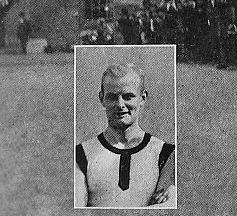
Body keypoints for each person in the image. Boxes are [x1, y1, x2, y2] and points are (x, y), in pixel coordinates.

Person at [75, 64, 176, 208]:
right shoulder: (81, 155)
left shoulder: (166, 154)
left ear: (142, 98)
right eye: (112, 97)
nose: (120, 104)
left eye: (128, 96)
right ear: (101, 98)